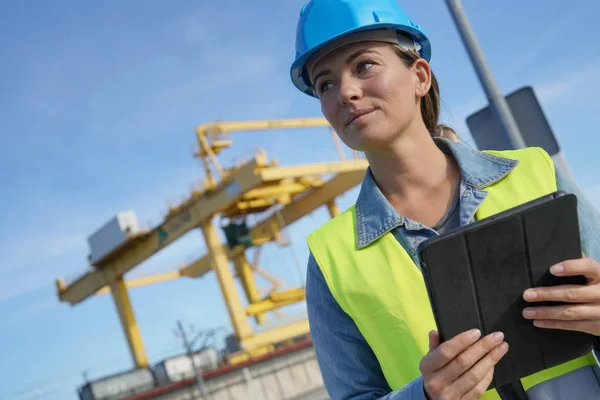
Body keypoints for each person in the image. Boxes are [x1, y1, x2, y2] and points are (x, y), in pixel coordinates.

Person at [289, 1, 600, 399]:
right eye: (325, 84)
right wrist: (426, 396)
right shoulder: (333, 258)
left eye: (364, 65)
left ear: (419, 76)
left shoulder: (534, 173)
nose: (345, 91)